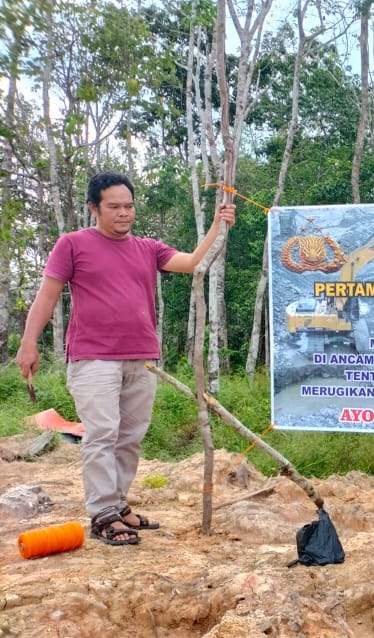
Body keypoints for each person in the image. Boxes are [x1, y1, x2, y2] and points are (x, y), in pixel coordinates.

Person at [15, 172, 236, 546]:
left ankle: (117, 504)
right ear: (93, 209)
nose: (123, 213)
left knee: (130, 436)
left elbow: (194, 262)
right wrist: (28, 343)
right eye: (114, 207)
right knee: (102, 433)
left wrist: (218, 224)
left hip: (142, 357)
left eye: (128, 206)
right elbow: (48, 296)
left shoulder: (148, 248)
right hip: (93, 358)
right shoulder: (72, 245)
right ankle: (102, 513)